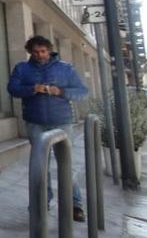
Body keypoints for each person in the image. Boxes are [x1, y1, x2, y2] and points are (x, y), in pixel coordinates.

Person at [7, 35, 88, 222]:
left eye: (43, 51)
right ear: (30, 52)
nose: (40, 55)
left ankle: (75, 204)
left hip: (62, 121)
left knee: (65, 164)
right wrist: (32, 89)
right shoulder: (22, 68)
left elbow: (82, 91)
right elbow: (12, 89)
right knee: (40, 166)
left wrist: (61, 92)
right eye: (35, 52)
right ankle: (42, 203)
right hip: (35, 122)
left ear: (49, 50)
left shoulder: (66, 68)